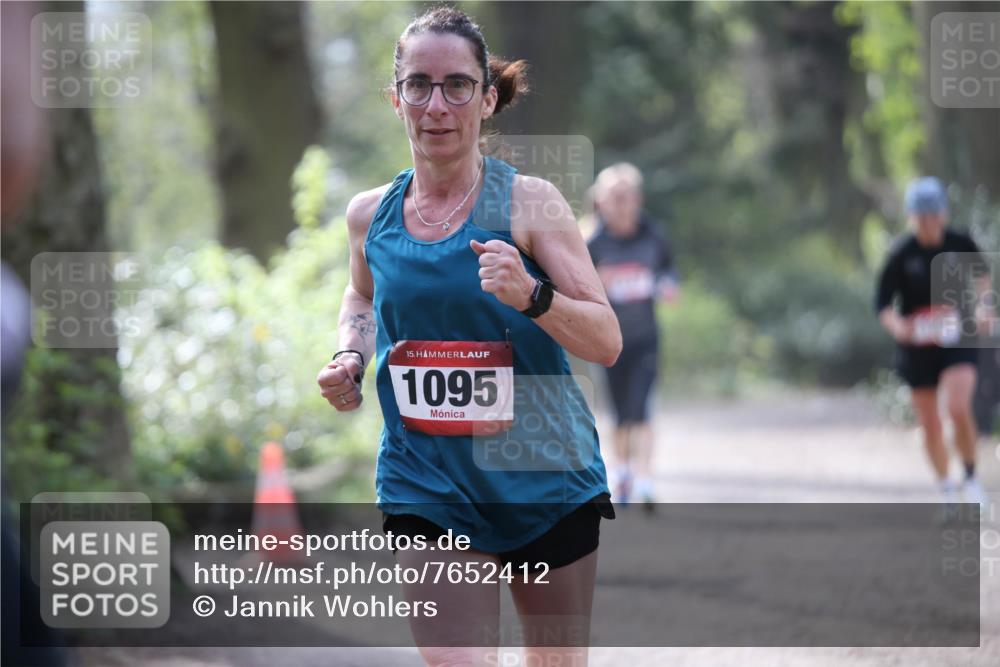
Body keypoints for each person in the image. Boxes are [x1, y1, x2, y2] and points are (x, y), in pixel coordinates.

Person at [316, 7, 621, 665]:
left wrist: (534, 295)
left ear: (486, 99)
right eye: (419, 85)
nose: (437, 104)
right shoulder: (369, 215)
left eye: (457, 85)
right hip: (425, 479)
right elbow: (361, 294)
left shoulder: (530, 204)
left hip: (543, 475)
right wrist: (349, 352)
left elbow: (605, 339)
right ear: (395, 99)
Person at [875, 176, 990, 511]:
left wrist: (985, 304)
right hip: (918, 344)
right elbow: (882, 303)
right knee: (930, 424)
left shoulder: (960, 241)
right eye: (921, 217)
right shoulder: (901, 254)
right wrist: (898, 327)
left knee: (957, 407)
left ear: (944, 214)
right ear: (912, 218)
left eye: (934, 215)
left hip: (956, 337)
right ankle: (946, 489)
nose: (929, 223)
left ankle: (970, 477)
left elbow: (982, 275)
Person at [587, 164, 678, 511]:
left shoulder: (654, 235)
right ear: (601, 201)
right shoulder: (592, 241)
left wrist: (669, 285)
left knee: (642, 409)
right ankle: (622, 472)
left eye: (626, 197)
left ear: (638, 199)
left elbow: (669, 269)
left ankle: (645, 481)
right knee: (619, 412)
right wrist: (600, 280)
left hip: (645, 338)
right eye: (613, 197)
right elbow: (573, 285)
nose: (621, 204)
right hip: (607, 340)